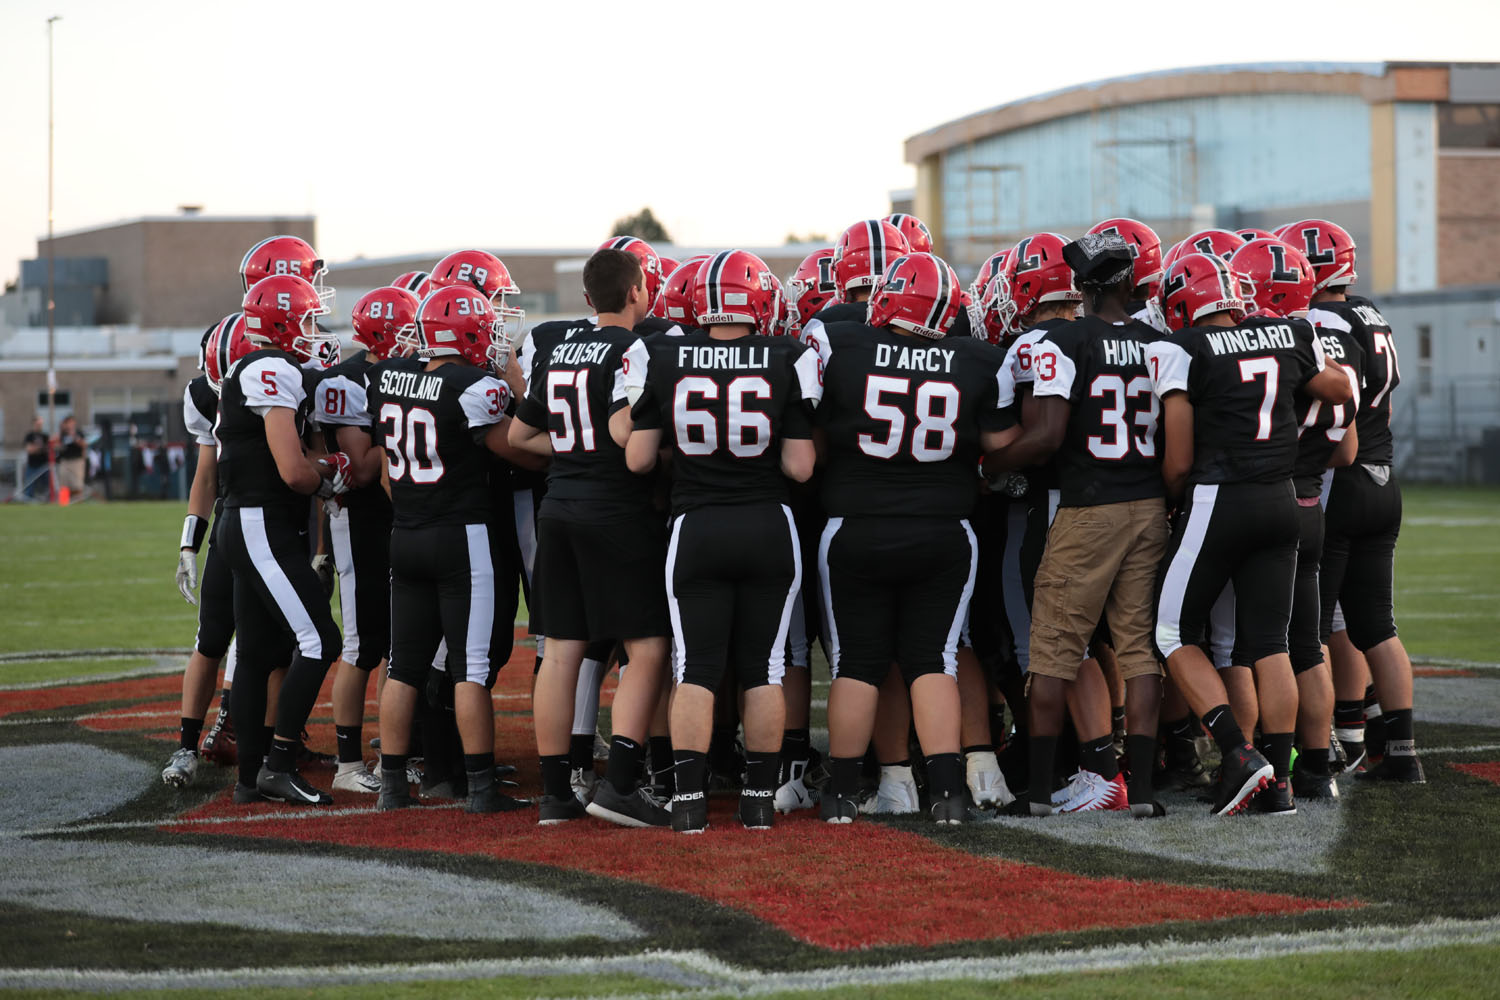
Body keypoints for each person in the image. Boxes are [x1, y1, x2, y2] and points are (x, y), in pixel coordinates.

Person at [1146, 251, 1351, 816]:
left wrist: (1170, 499)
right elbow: (1339, 392)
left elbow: (1181, 459)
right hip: (1282, 499)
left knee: (1170, 632)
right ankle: (1280, 781)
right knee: (1271, 643)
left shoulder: (1180, 348)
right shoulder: (1286, 334)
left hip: (1219, 496)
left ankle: (1239, 755)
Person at [810, 251, 1011, 825]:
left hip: (855, 525)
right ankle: (947, 794)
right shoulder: (978, 360)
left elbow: (816, 438)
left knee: (856, 664)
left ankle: (842, 794)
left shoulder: (841, 346)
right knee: (935, 660)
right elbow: (999, 446)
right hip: (946, 528)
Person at [625, 249, 822, 833]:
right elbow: (802, 467)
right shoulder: (789, 356)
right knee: (763, 668)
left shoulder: (661, 353)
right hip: (768, 524)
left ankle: (688, 803)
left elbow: (638, 458)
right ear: (760, 300)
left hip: (696, 526)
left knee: (696, 668)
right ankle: (758, 800)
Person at [985, 233, 1169, 817]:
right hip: (1148, 502)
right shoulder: (1157, 341)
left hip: (1083, 505)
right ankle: (1138, 789)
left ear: (1083, 286)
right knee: (1137, 649)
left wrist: (990, 465)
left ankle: (1049, 789)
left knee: (1055, 647)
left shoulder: (1059, 340)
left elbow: (1044, 436)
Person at [509, 248, 673, 827]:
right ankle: (622, 786)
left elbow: (519, 435)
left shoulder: (555, 349)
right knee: (648, 646)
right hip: (614, 512)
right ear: (636, 293)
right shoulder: (633, 347)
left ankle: (557, 794)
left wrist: (573, 452)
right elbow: (630, 444)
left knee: (560, 652)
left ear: (586, 299)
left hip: (559, 508)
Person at [369, 285, 530, 813]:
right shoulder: (475, 387)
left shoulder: (392, 377)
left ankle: (392, 785)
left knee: (403, 668)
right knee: (472, 668)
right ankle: (481, 789)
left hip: (407, 532)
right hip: (462, 536)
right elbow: (519, 448)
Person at [214, 273, 353, 806]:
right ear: (284, 321)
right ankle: (277, 762)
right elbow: (293, 471)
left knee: (254, 653)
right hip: (258, 523)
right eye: (308, 317)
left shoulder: (263, 367)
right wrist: (330, 478)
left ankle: (250, 780)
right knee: (321, 641)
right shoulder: (270, 368)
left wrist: (321, 464)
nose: (314, 327)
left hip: (248, 522)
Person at [1295, 219, 1426, 783]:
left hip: (1339, 479)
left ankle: (1319, 755)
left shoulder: (1316, 320)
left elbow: (1332, 408)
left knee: (1314, 627)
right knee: (1378, 623)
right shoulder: (1371, 313)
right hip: (1384, 477)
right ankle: (1402, 751)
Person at [315, 286, 418, 794]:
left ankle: (393, 753)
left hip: (400, 519)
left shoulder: (400, 374)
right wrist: (396, 433)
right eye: (409, 329)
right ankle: (348, 763)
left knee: (399, 642)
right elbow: (356, 468)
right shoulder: (347, 382)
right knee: (361, 645)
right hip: (359, 521)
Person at [162, 314, 255, 787]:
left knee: (275, 642)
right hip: (237, 522)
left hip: (272, 523)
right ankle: (188, 745)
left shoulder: (285, 376)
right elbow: (206, 474)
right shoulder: (204, 394)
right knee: (214, 638)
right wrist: (188, 543)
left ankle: (250, 736)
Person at [54, 416, 87, 497]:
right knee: (64, 485)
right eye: (67, 423)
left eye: (70, 423)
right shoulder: (62, 434)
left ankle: (77, 503)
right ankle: (64, 504)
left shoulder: (79, 433)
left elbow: (84, 445)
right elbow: (56, 445)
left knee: (76, 485)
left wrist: (74, 437)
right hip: (65, 461)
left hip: (76, 461)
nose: (69, 425)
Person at [22, 417, 50, 500]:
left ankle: (47, 500)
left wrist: (38, 448)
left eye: (40, 424)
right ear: (33, 424)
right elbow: (29, 449)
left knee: (47, 485)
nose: (39, 426)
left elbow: (49, 448)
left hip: (44, 466)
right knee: (29, 485)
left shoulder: (45, 436)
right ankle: (28, 500)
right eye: (37, 424)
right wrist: (41, 448)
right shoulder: (29, 436)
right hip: (32, 465)